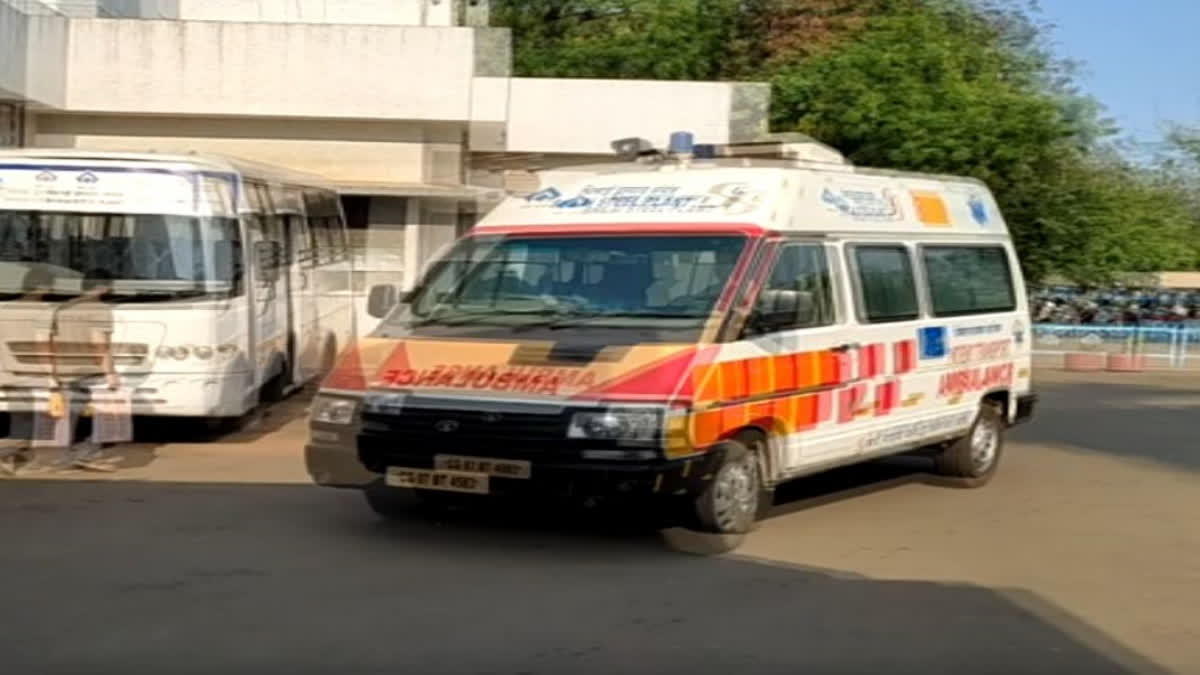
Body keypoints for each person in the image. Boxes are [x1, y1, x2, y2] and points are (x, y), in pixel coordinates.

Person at [48, 268, 124, 472]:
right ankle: (87, 455)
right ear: (102, 287)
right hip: (89, 370)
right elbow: (99, 344)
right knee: (101, 416)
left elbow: (52, 341)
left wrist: (52, 372)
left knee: (68, 416)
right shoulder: (100, 310)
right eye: (109, 286)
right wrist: (110, 373)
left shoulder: (63, 308)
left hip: (64, 369)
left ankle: (65, 458)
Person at [0, 267, 57, 476]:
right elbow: (43, 346)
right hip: (32, 374)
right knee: (37, 420)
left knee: (20, 417)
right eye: (51, 284)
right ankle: (14, 456)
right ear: (42, 286)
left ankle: (14, 460)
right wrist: (52, 377)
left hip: (6, 372)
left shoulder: (5, 309)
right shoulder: (43, 311)